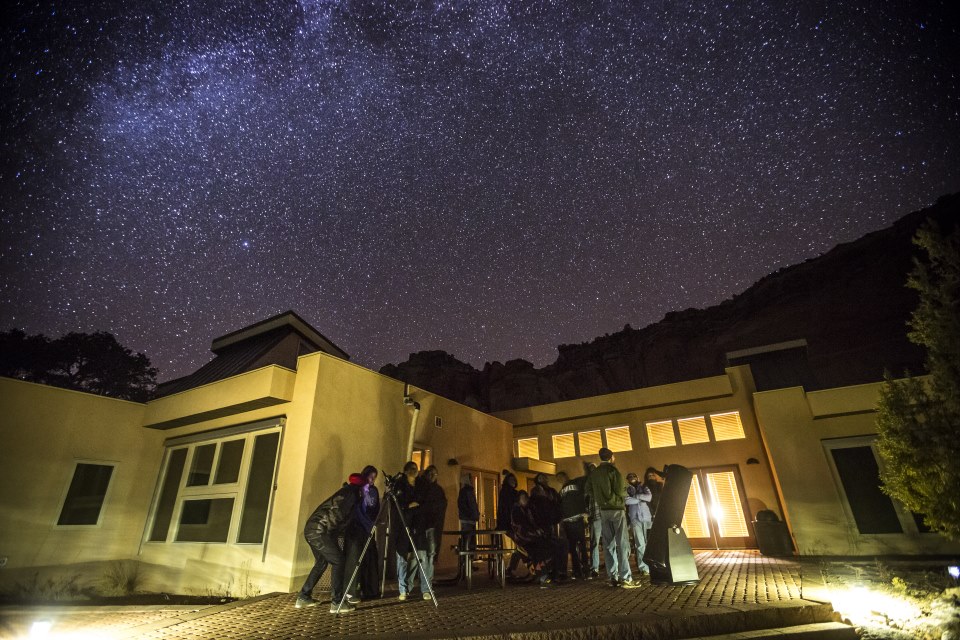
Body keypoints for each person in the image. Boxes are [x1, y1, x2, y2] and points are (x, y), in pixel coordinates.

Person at [296, 476, 363, 613]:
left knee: (321, 563)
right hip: (321, 532)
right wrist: (343, 531)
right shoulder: (351, 495)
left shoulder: (345, 492)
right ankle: (337, 602)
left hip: (313, 529)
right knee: (338, 561)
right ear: (360, 487)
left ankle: (303, 596)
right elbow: (338, 517)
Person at [585, 448, 641, 588]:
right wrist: (623, 492)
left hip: (603, 511)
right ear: (611, 457)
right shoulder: (613, 471)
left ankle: (612, 577)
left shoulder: (594, 473)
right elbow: (620, 490)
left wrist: (600, 498)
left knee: (608, 544)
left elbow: (588, 490)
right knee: (622, 543)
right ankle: (626, 578)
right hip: (616, 509)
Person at [510, 490, 568, 588]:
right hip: (525, 540)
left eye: (526, 497)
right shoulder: (517, 511)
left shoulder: (529, 509)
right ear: (519, 500)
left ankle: (554, 573)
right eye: (523, 498)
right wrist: (535, 532)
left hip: (534, 538)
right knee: (543, 551)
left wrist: (539, 531)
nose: (525, 500)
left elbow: (535, 523)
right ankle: (543, 577)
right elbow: (520, 527)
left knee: (558, 545)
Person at [344, 466, 381, 601]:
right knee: (354, 559)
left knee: (369, 558)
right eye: (370, 477)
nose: (372, 480)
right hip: (356, 528)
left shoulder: (373, 491)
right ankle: (351, 591)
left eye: (374, 478)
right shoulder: (356, 490)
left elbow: (374, 506)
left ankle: (370, 589)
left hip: (368, 528)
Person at [412, 465, 447, 599]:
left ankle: (428, 585)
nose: (433, 476)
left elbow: (441, 506)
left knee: (431, 556)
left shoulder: (438, 490)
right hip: (422, 526)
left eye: (435, 474)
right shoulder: (420, 488)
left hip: (433, 527)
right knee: (422, 557)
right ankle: (422, 585)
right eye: (431, 473)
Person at [390, 461, 419, 601]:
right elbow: (397, 505)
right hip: (402, 526)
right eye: (412, 469)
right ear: (406, 471)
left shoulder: (419, 486)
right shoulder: (400, 485)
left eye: (416, 469)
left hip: (415, 525)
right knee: (402, 557)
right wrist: (408, 506)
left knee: (414, 557)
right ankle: (402, 587)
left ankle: (409, 584)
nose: (415, 471)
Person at [557, 470, 589, 579]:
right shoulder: (561, 492)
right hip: (567, 522)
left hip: (577, 519)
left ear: (566, 476)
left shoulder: (576, 482)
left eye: (561, 477)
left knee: (582, 545)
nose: (560, 480)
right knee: (572, 547)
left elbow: (586, 477)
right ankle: (577, 570)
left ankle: (585, 568)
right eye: (558, 479)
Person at [625, 472, 652, 576]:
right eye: (630, 477)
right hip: (635, 519)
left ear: (637, 477)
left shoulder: (644, 487)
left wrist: (636, 497)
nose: (632, 478)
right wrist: (641, 499)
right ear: (627, 480)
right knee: (640, 544)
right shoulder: (626, 489)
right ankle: (643, 568)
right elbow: (627, 501)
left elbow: (649, 497)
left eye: (633, 477)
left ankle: (651, 564)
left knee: (648, 543)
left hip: (646, 518)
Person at [497, 471, 522, 578]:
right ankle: (510, 568)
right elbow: (507, 509)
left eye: (514, 480)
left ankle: (510, 568)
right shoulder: (508, 493)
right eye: (511, 480)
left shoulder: (510, 492)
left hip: (511, 523)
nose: (513, 481)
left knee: (520, 545)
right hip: (509, 523)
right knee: (521, 544)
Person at [457, 473, 480, 577]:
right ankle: (466, 564)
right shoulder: (465, 491)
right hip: (468, 521)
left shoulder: (468, 491)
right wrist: (472, 515)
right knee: (467, 542)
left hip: (470, 520)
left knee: (470, 543)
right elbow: (464, 505)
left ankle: (469, 563)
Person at [584, 462, 602, 579]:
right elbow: (585, 498)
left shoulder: (602, 480)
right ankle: (594, 568)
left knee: (610, 543)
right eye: (591, 468)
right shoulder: (588, 482)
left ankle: (614, 567)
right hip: (595, 516)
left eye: (594, 468)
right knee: (595, 543)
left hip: (605, 513)